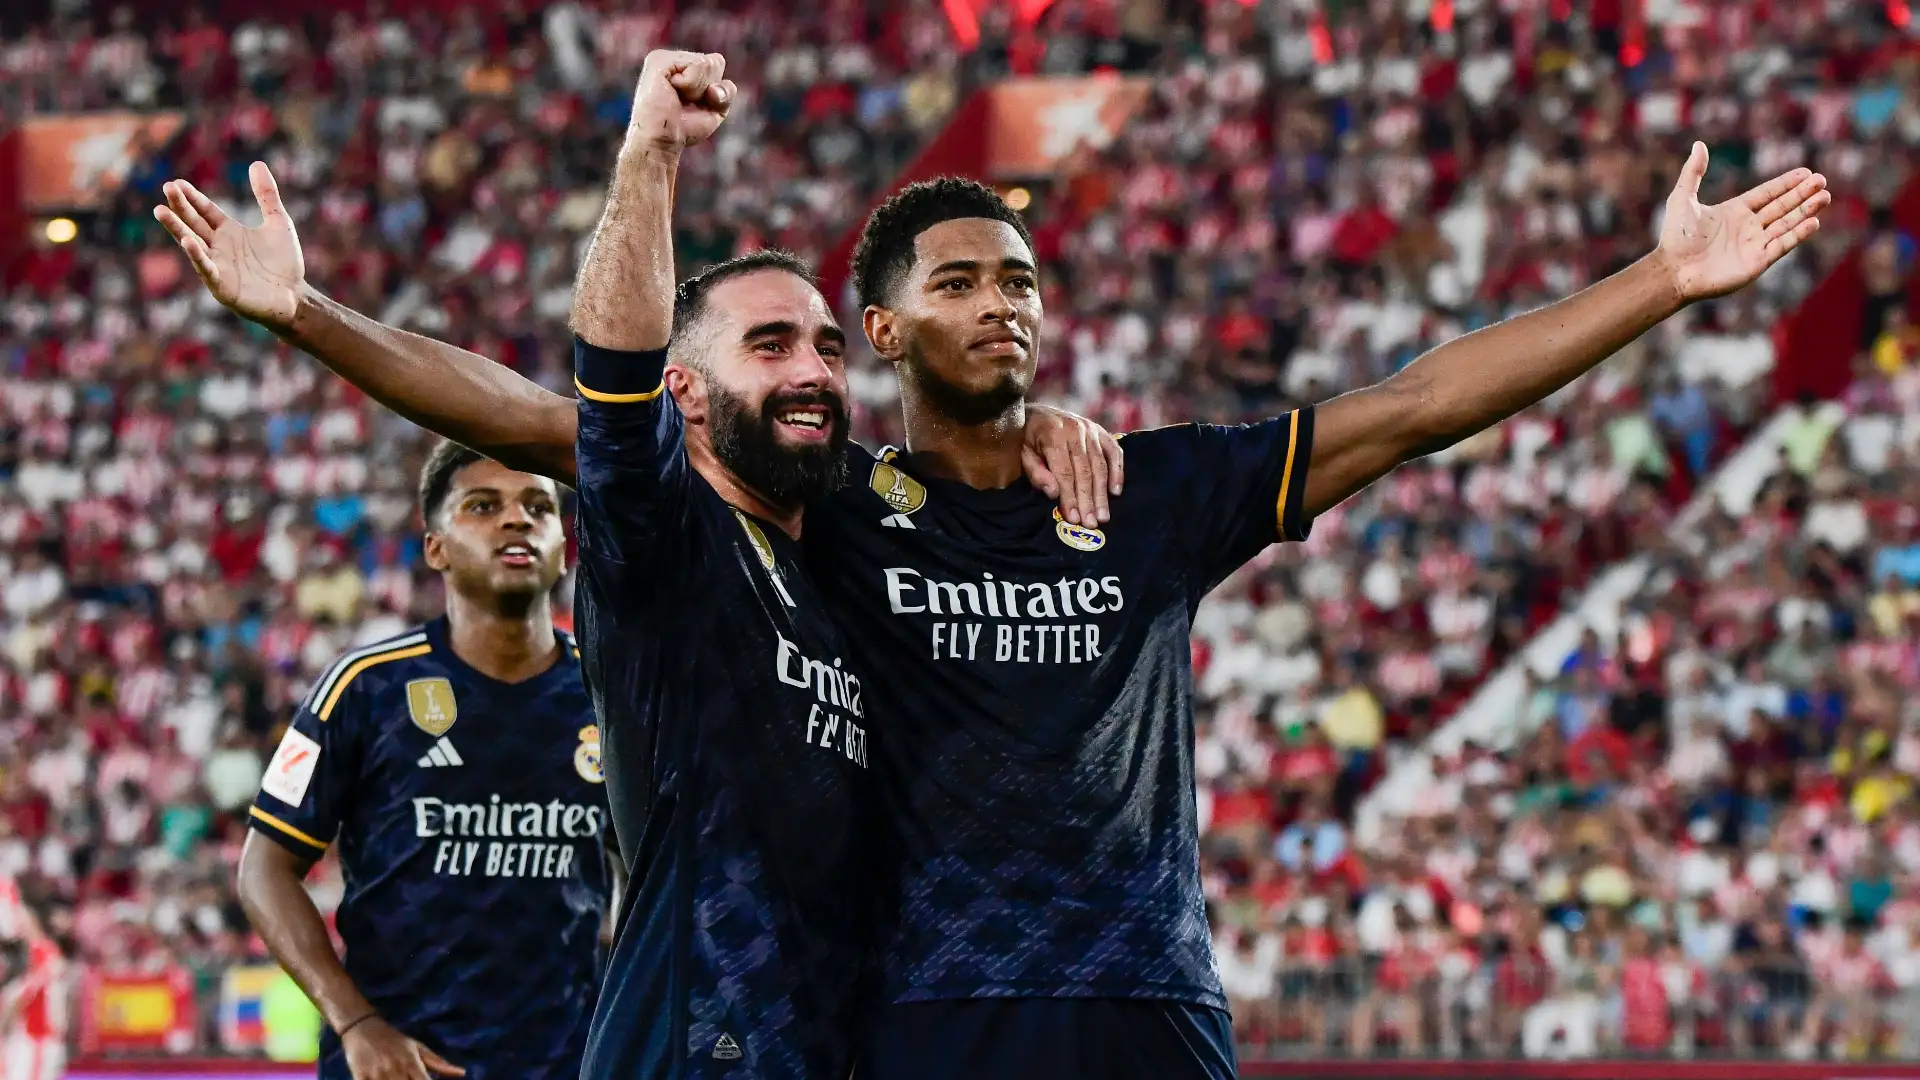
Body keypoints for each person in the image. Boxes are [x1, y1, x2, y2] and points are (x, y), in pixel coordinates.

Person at [159, 51, 1829, 1077]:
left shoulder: (1149, 491)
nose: (1002, 304)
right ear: (887, 332)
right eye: (958, 283)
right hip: (927, 1017)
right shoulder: (829, 504)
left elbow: (1412, 409)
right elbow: (568, 417)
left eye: (1022, 280)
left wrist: (1658, 285)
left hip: (1149, 1005)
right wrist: (308, 316)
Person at [164, 51, 1116, 1080]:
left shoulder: (842, 553)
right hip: (689, 1051)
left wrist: (1031, 425)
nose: (810, 368)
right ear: (685, 396)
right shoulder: (667, 525)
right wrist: (651, 154)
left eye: (827, 347)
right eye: (769, 345)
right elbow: (573, 397)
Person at [236, 440, 616, 1080]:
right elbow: (263, 869)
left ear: (561, 547)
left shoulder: (612, 695)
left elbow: (656, 867)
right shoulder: (364, 687)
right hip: (398, 1065)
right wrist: (356, 1024)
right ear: (436, 548)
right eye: (483, 506)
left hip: (569, 1063)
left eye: (538, 507)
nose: (516, 519)